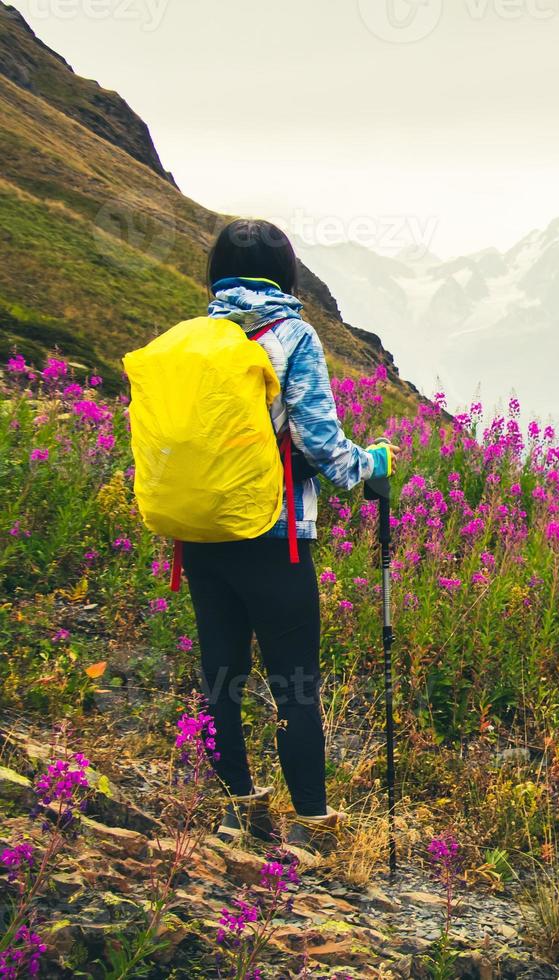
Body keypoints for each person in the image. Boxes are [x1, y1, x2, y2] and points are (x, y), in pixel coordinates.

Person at [181, 218, 397, 852]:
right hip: (273, 537)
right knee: (294, 681)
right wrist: (373, 464)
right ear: (286, 273)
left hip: (198, 532)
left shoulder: (197, 336)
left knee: (221, 672)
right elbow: (321, 444)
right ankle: (310, 827)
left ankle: (237, 809)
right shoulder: (291, 336)